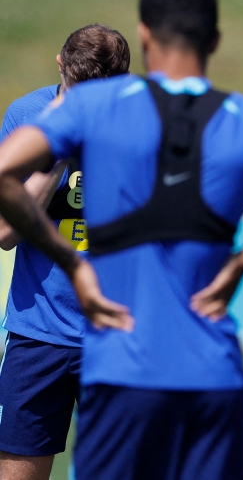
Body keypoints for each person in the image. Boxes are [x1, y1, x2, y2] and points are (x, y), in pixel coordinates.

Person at [0, 0, 243, 480]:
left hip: (122, 359)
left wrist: (70, 262)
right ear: (216, 40)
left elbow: (5, 173)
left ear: (145, 36)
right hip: (209, 367)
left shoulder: (93, 108)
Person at [0, 24, 131, 480]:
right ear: (60, 67)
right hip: (40, 335)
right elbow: (4, 232)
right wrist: (56, 150)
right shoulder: (27, 117)